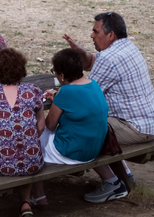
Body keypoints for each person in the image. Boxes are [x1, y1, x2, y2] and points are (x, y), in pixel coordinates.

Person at [62, 12, 154, 203]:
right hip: (150, 123)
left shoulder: (108, 58)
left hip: (133, 128)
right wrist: (82, 53)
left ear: (111, 35)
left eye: (96, 31)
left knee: (79, 129)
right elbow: (94, 63)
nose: (92, 35)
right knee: (94, 121)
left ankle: (112, 183)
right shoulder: (128, 47)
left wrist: (59, 96)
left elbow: (85, 95)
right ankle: (124, 173)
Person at [27, 47, 109, 208]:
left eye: (55, 72)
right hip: (94, 149)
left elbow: (50, 125)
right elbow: (79, 103)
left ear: (62, 75)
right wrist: (58, 97)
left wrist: (41, 109)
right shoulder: (93, 84)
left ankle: (39, 195)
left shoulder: (65, 91)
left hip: (71, 152)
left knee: (33, 138)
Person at [0, 48, 45, 217]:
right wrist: (25, 137)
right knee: (25, 154)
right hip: (30, 163)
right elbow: (41, 126)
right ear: (21, 68)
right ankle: (25, 204)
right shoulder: (33, 91)